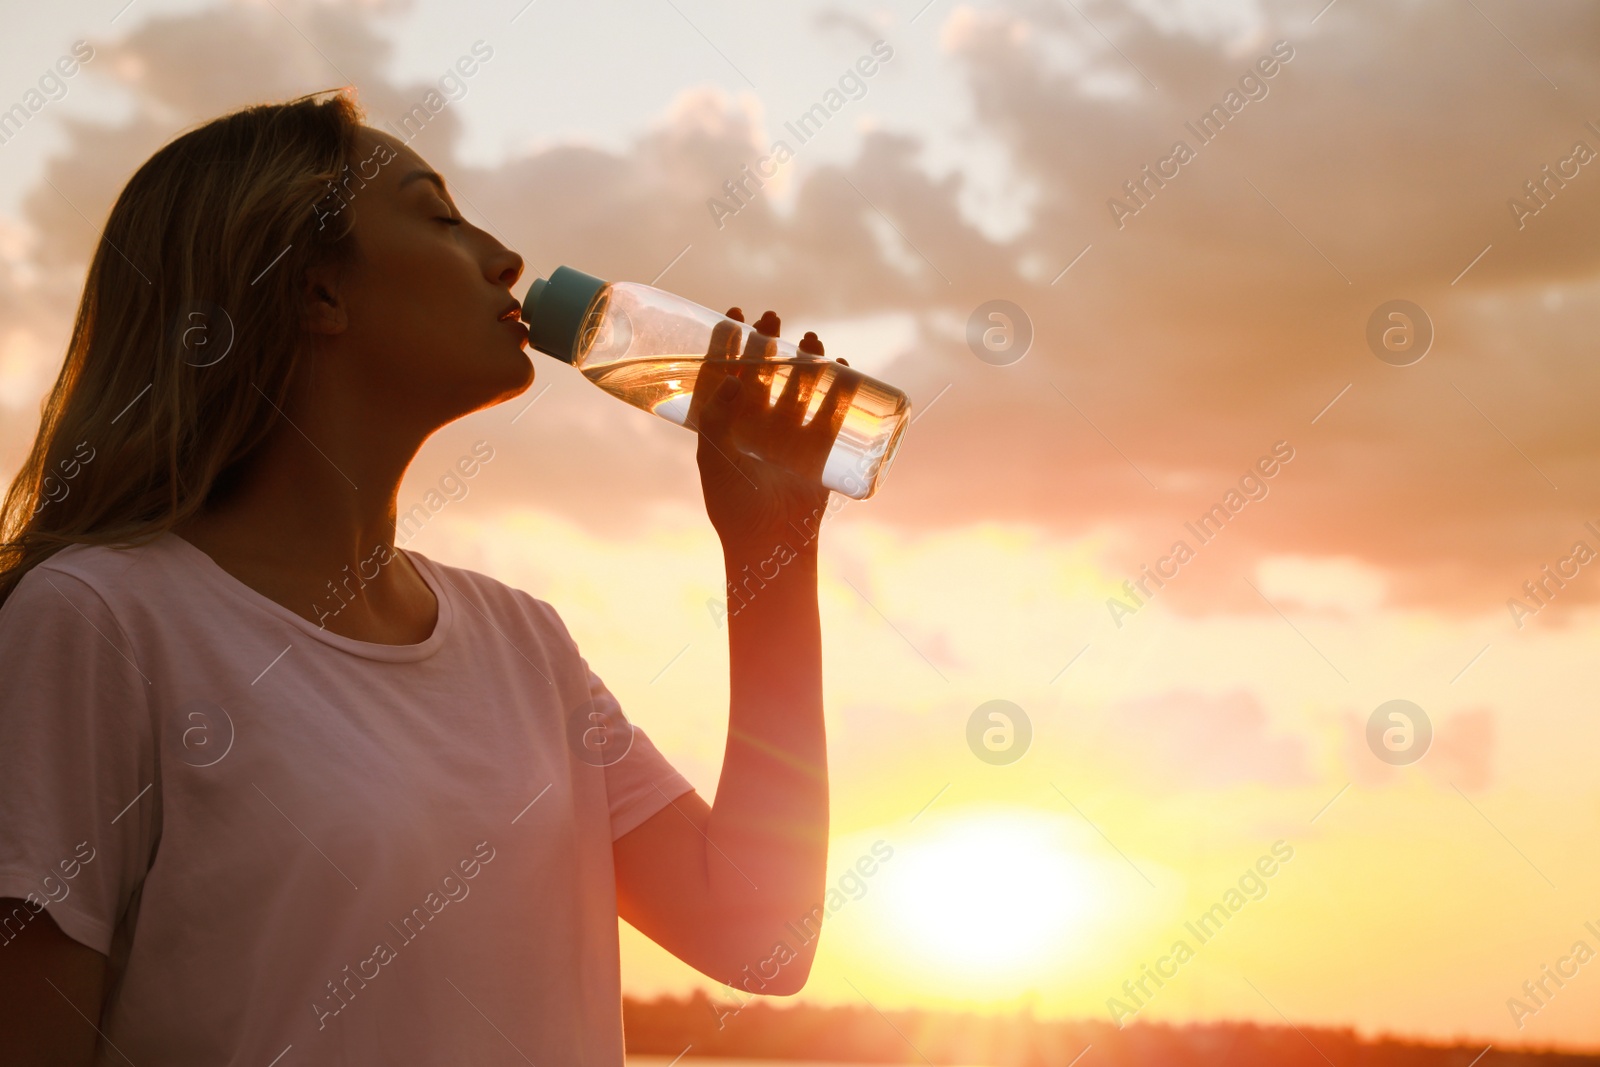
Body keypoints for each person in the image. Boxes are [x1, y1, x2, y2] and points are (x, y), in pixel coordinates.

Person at [0, 90, 833, 1064]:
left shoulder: (523, 643)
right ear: (316, 292)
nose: (505, 258)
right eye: (438, 216)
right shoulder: (99, 622)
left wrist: (772, 547)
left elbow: (759, 934)